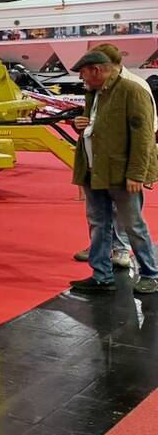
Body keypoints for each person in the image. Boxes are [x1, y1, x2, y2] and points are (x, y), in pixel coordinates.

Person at [67, 50, 158, 295]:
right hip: (93, 171)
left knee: (133, 226)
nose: (82, 80)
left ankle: (151, 274)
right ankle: (101, 275)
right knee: (98, 225)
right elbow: (94, 127)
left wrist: (136, 174)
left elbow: (143, 138)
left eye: (84, 74)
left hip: (121, 174)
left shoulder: (132, 91)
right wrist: (80, 124)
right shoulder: (93, 94)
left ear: (97, 70)